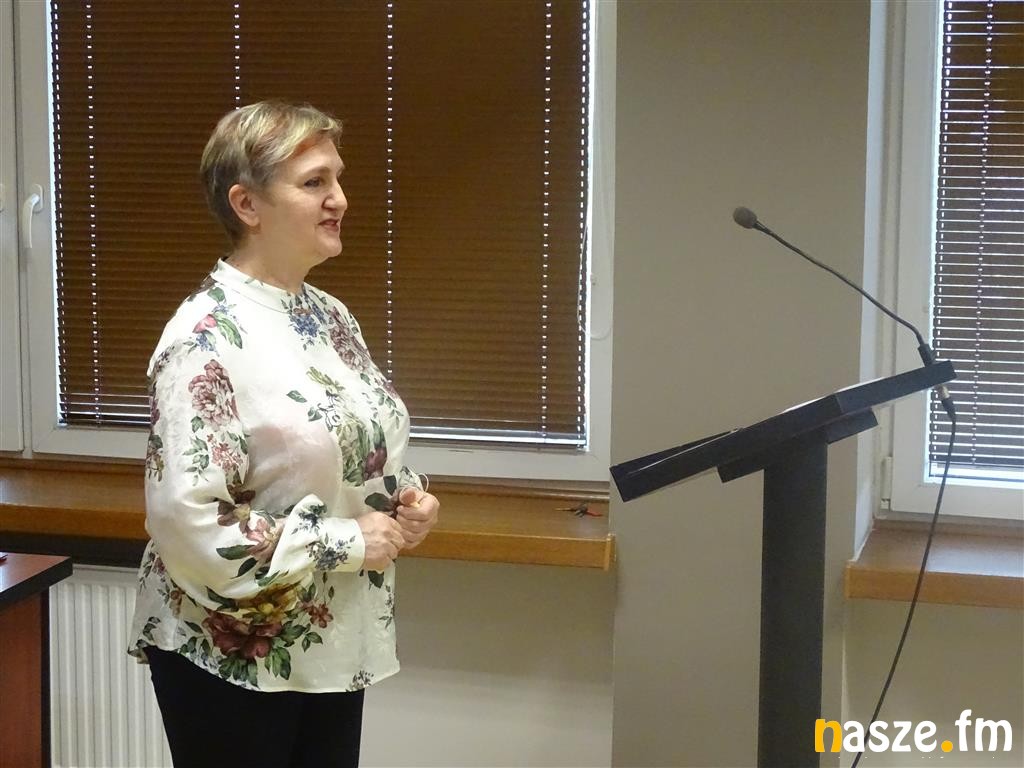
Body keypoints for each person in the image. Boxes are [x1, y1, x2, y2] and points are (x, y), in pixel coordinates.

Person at [128, 101, 439, 767]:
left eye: (338, 179)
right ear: (247, 204)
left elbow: (351, 443)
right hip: (229, 650)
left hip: (328, 639)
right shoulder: (203, 339)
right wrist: (347, 540)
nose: (339, 199)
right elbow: (189, 522)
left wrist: (405, 501)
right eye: (314, 182)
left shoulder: (328, 315)